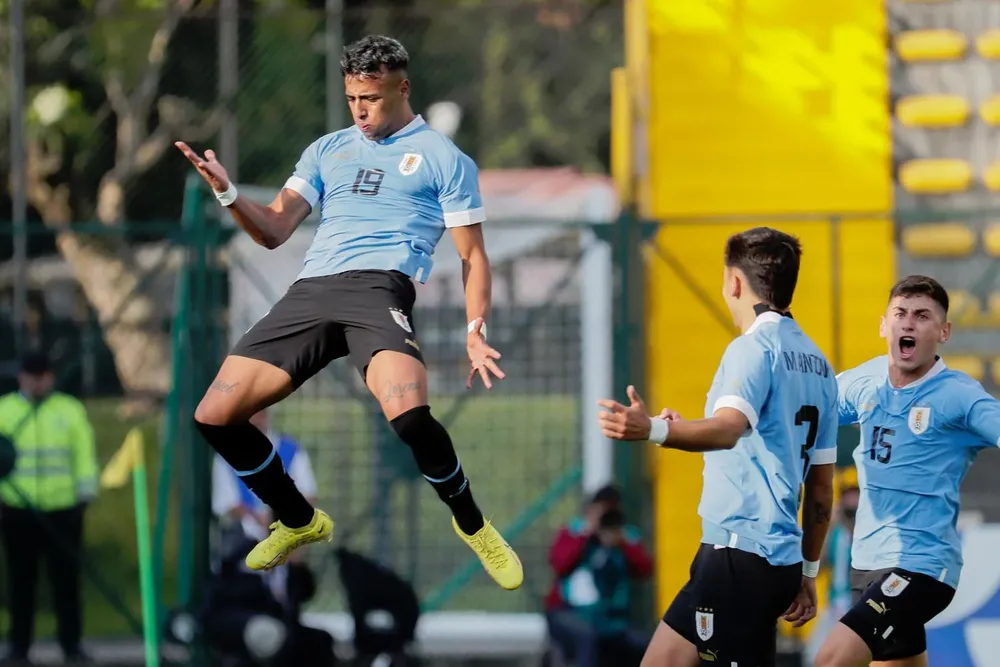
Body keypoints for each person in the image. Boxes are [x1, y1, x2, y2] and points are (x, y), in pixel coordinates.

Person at [175, 34, 522, 589]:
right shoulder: (327, 148)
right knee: (213, 416)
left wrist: (475, 330)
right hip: (311, 290)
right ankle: (298, 519)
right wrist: (228, 193)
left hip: (378, 291)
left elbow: (473, 257)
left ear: (402, 87)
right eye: (353, 98)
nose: (361, 111)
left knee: (410, 417)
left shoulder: (443, 158)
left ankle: (473, 524)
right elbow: (273, 229)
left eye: (374, 99)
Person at [597, 227, 839, 667]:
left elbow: (730, 429)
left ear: (734, 282)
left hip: (738, 555)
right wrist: (806, 572)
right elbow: (821, 490)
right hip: (771, 559)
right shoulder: (819, 364)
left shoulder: (752, 349)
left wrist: (651, 430)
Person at [815, 275, 1000, 667]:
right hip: (865, 566)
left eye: (922, 315)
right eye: (900, 313)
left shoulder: (959, 395)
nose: (909, 323)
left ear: (944, 331)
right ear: (885, 325)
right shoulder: (865, 381)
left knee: (831, 660)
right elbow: (810, 408)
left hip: (921, 566)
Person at [0, 351, 98, 664]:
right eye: (31, 376)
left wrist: (85, 494)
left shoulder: (69, 411)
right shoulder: (4, 411)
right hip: (16, 508)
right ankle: (18, 646)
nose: (36, 382)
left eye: (41, 376)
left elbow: (83, 453)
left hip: (63, 508)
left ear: (50, 378)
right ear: (22, 378)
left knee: (66, 583)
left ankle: (71, 645)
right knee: (20, 582)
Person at [545, 485, 653, 667]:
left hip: (610, 618)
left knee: (641, 645)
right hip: (568, 612)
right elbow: (559, 564)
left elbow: (645, 569)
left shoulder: (625, 536)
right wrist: (586, 533)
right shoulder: (574, 532)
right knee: (588, 638)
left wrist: (621, 542)